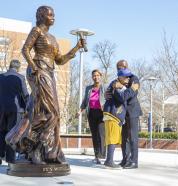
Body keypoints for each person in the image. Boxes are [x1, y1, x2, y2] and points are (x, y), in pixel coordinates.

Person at [21, 5, 85, 164]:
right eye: (50, 15)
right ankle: (37, 146)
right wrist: (34, 67)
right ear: (42, 17)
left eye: (54, 14)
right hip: (39, 71)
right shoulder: (37, 31)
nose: (54, 17)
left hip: (49, 72)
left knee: (52, 112)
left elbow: (60, 60)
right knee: (49, 111)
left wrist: (77, 47)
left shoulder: (53, 38)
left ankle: (47, 151)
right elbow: (25, 49)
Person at [103, 68, 139, 168]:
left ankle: (109, 160)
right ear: (120, 77)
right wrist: (132, 89)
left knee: (113, 137)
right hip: (112, 115)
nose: (128, 78)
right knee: (112, 138)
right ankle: (109, 161)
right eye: (126, 76)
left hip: (114, 115)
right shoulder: (116, 84)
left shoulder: (119, 84)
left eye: (129, 76)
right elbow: (123, 97)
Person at [0, 59, 29, 165]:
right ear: (18, 68)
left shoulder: (1, 76)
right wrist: (28, 108)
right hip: (15, 109)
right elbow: (25, 94)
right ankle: (10, 159)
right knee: (12, 132)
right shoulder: (20, 77)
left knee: (1, 131)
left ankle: (0, 154)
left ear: (9, 66)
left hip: (1, 108)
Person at [116, 60, 142, 169]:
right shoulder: (118, 79)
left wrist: (125, 90)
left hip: (133, 112)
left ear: (126, 67)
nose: (119, 69)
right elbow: (116, 95)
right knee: (124, 138)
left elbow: (129, 95)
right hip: (123, 113)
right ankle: (125, 160)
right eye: (118, 67)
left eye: (121, 67)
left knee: (133, 137)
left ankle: (134, 161)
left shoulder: (134, 79)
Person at [76, 69, 106, 164]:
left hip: (101, 113)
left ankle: (102, 155)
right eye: (94, 75)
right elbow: (85, 101)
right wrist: (80, 111)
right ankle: (96, 155)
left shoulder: (104, 88)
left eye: (97, 75)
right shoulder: (88, 88)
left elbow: (108, 100)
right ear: (92, 77)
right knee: (94, 135)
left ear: (100, 76)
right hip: (91, 113)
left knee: (101, 134)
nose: (96, 77)